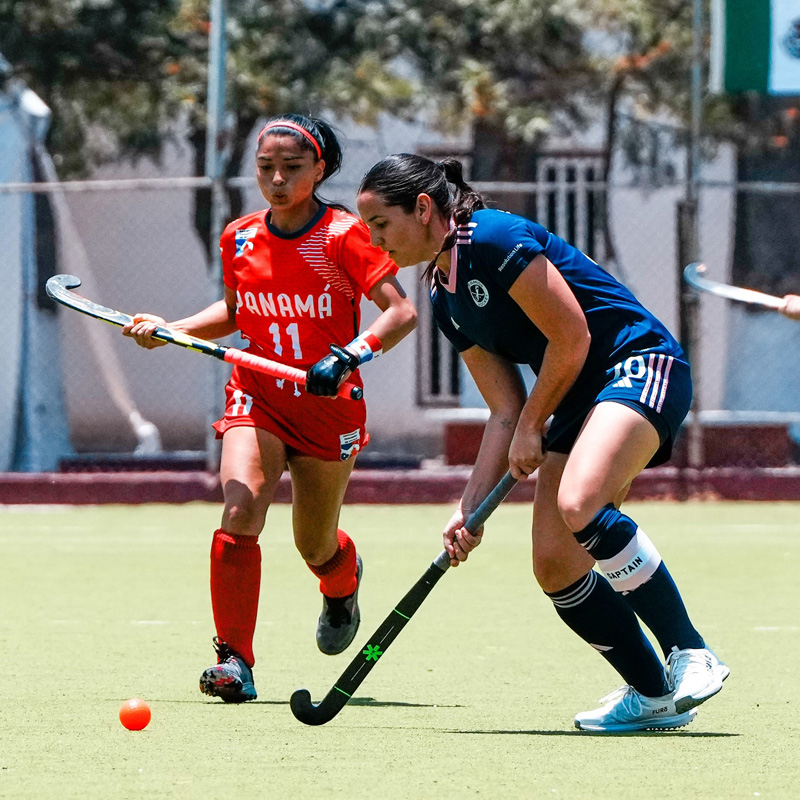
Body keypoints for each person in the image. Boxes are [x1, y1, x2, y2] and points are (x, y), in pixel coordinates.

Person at [356, 153, 728, 733]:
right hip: (577, 397)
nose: (375, 242)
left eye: (381, 224)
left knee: (581, 502)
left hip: (638, 364)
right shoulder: (444, 298)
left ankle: (691, 651)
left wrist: (534, 424)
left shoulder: (492, 237)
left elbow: (572, 336)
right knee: (556, 565)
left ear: (423, 208)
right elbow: (503, 410)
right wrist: (469, 508)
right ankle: (653, 694)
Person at [123, 115, 416, 703]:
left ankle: (342, 581)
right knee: (241, 510)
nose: (277, 180)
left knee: (315, 545)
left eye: (292, 168)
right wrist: (173, 328)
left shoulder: (345, 235)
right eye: (265, 168)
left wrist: (349, 356)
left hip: (327, 406)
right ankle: (234, 662)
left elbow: (400, 312)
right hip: (256, 395)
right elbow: (237, 312)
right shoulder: (240, 236)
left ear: (320, 169)